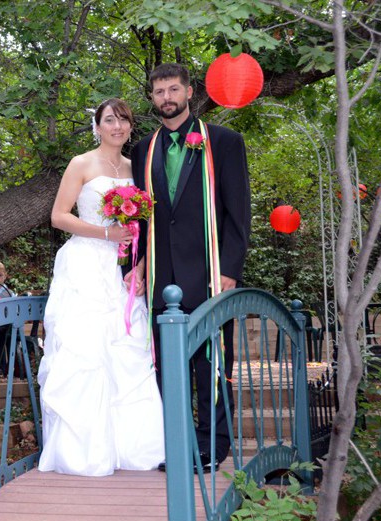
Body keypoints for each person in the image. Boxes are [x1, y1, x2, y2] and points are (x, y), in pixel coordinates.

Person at [126, 63, 251, 473]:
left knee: (212, 364)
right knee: (167, 366)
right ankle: (176, 446)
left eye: (173, 89)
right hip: (163, 276)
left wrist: (230, 268)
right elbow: (146, 219)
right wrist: (140, 264)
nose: (167, 98)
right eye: (159, 91)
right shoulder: (143, 150)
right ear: (152, 98)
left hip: (210, 271)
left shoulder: (224, 142)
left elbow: (238, 213)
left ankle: (213, 448)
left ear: (190, 91)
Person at [37, 98, 165, 476]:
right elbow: (59, 216)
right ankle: (84, 453)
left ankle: (133, 449)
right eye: (110, 120)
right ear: (97, 125)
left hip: (122, 268)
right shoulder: (81, 163)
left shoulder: (136, 167)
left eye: (123, 120)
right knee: (87, 352)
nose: (117, 126)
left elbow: (148, 224)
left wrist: (139, 265)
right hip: (86, 263)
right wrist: (106, 232)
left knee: (127, 353)